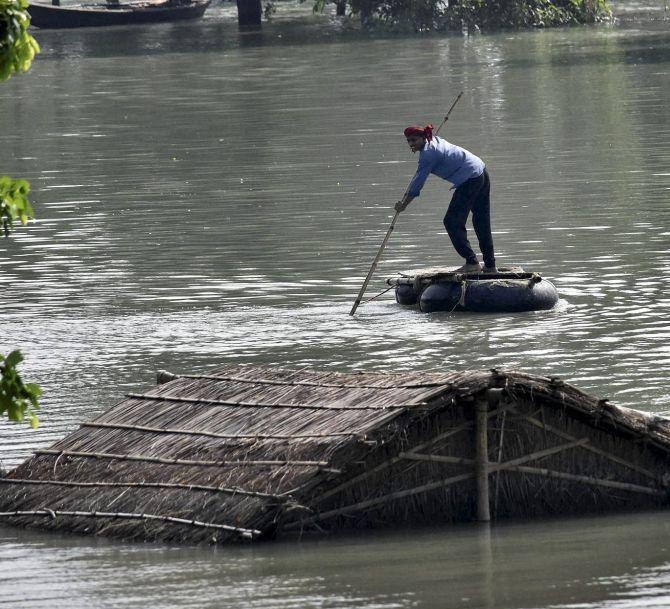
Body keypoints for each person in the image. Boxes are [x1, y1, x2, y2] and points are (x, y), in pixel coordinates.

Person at [394, 124, 497, 274]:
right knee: (481, 221)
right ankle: (490, 265)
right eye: (408, 141)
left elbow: (417, 184)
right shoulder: (434, 139)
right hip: (480, 171)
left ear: (423, 138)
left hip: (471, 178)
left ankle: (472, 262)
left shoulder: (428, 155)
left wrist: (404, 205)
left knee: (451, 221)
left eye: (414, 140)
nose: (411, 144)